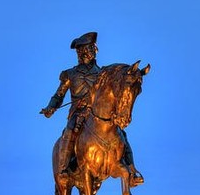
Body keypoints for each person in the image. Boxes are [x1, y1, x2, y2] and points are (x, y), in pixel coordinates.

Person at [41, 31, 143, 186]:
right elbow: (59, 95)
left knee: (121, 134)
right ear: (80, 52)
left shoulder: (103, 74)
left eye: (91, 49)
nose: (89, 53)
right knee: (69, 132)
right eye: (85, 50)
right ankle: (63, 170)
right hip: (78, 113)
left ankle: (131, 170)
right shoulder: (70, 74)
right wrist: (50, 107)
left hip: (99, 114)